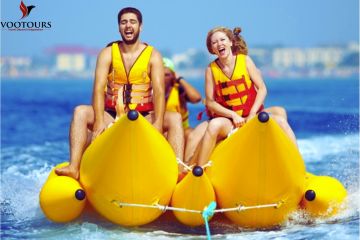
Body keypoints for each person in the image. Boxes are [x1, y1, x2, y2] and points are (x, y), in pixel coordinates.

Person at [55, 7, 184, 179]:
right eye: (124, 22)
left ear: (141, 26)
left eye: (132, 22)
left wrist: (158, 122)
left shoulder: (153, 55)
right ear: (118, 27)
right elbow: (98, 88)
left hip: (143, 116)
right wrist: (99, 121)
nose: (128, 26)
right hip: (111, 114)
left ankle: (177, 172)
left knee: (174, 118)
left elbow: (159, 92)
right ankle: (74, 167)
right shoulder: (107, 53)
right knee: (80, 112)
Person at [195, 27, 298, 167]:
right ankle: (199, 171)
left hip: (252, 116)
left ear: (231, 42)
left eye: (222, 40)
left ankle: (296, 165)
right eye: (214, 42)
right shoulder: (210, 69)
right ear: (212, 49)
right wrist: (233, 115)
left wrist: (251, 114)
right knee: (213, 125)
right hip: (231, 121)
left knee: (280, 120)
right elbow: (211, 103)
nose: (219, 44)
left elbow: (262, 88)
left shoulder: (245, 61)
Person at [162, 58, 202, 137]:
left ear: (173, 76)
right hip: (162, 132)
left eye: (166, 75)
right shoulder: (150, 90)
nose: (163, 78)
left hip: (181, 131)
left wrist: (180, 79)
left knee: (191, 133)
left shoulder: (179, 90)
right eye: (160, 74)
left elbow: (197, 98)